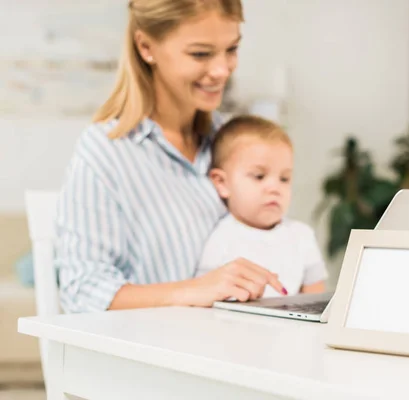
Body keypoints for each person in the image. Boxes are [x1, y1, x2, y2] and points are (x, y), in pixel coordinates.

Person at [54, 0, 287, 314]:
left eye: (231, 49)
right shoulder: (107, 151)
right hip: (155, 353)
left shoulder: (231, 142)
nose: (222, 70)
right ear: (146, 46)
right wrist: (198, 289)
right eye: (200, 54)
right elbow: (81, 291)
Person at [195, 115, 328, 297]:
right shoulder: (220, 239)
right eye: (259, 176)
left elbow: (317, 298)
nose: (275, 188)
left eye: (284, 179)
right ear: (222, 183)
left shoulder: (302, 236)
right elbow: (206, 297)